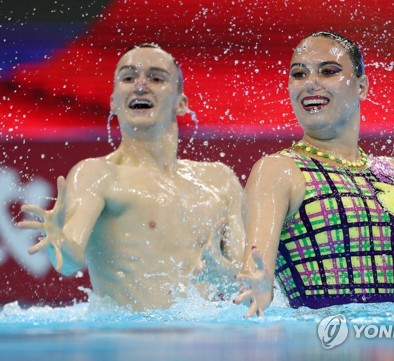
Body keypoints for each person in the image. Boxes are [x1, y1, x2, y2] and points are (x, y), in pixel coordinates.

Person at [234, 31, 394, 317]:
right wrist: (259, 285)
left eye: (328, 71)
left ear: (361, 87)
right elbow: (255, 268)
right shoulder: (278, 171)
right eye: (299, 74)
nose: (311, 83)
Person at [17, 44, 245, 311]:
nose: (140, 85)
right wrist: (58, 241)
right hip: (129, 341)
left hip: (203, 341)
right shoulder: (97, 175)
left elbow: (248, 276)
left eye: (156, 77)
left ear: (181, 103)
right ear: (113, 101)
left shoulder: (219, 181)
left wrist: (228, 278)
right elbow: (69, 261)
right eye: (128, 77)